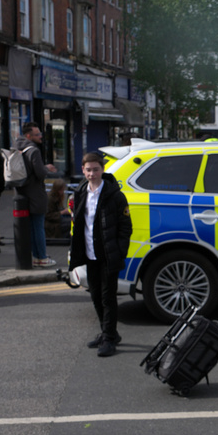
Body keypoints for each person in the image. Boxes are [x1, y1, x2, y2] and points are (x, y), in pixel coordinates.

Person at [69, 153, 132, 357]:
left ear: (102, 169)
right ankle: (109, 333)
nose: (92, 173)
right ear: (83, 170)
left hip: (108, 253)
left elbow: (125, 227)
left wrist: (119, 251)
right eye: (88, 170)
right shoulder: (81, 191)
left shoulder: (115, 195)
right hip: (89, 252)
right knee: (95, 294)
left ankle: (108, 338)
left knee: (107, 297)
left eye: (96, 169)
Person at [14, 122, 58, 267]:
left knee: (28, 228)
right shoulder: (34, 150)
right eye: (37, 134)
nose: (41, 136)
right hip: (35, 194)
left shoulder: (16, 147)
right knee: (38, 226)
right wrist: (47, 168)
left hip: (21, 192)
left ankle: (33, 256)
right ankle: (42, 258)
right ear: (29, 136)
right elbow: (39, 173)